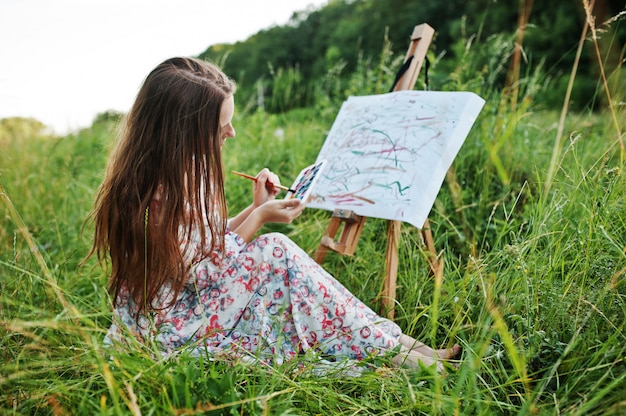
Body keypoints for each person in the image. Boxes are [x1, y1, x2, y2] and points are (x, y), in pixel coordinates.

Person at [88, 57, 459, 371]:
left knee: (276, 256)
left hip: (191, 304)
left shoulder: (179, 167)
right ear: (183, 131)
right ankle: (399, 352)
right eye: (221, 125)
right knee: (275, 251)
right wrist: (260, 217)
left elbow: (204, 241)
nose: (231, 132)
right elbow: (201, 274)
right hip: (171, 328)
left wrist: (254, 206)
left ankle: (398, 344)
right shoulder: (155, 191)